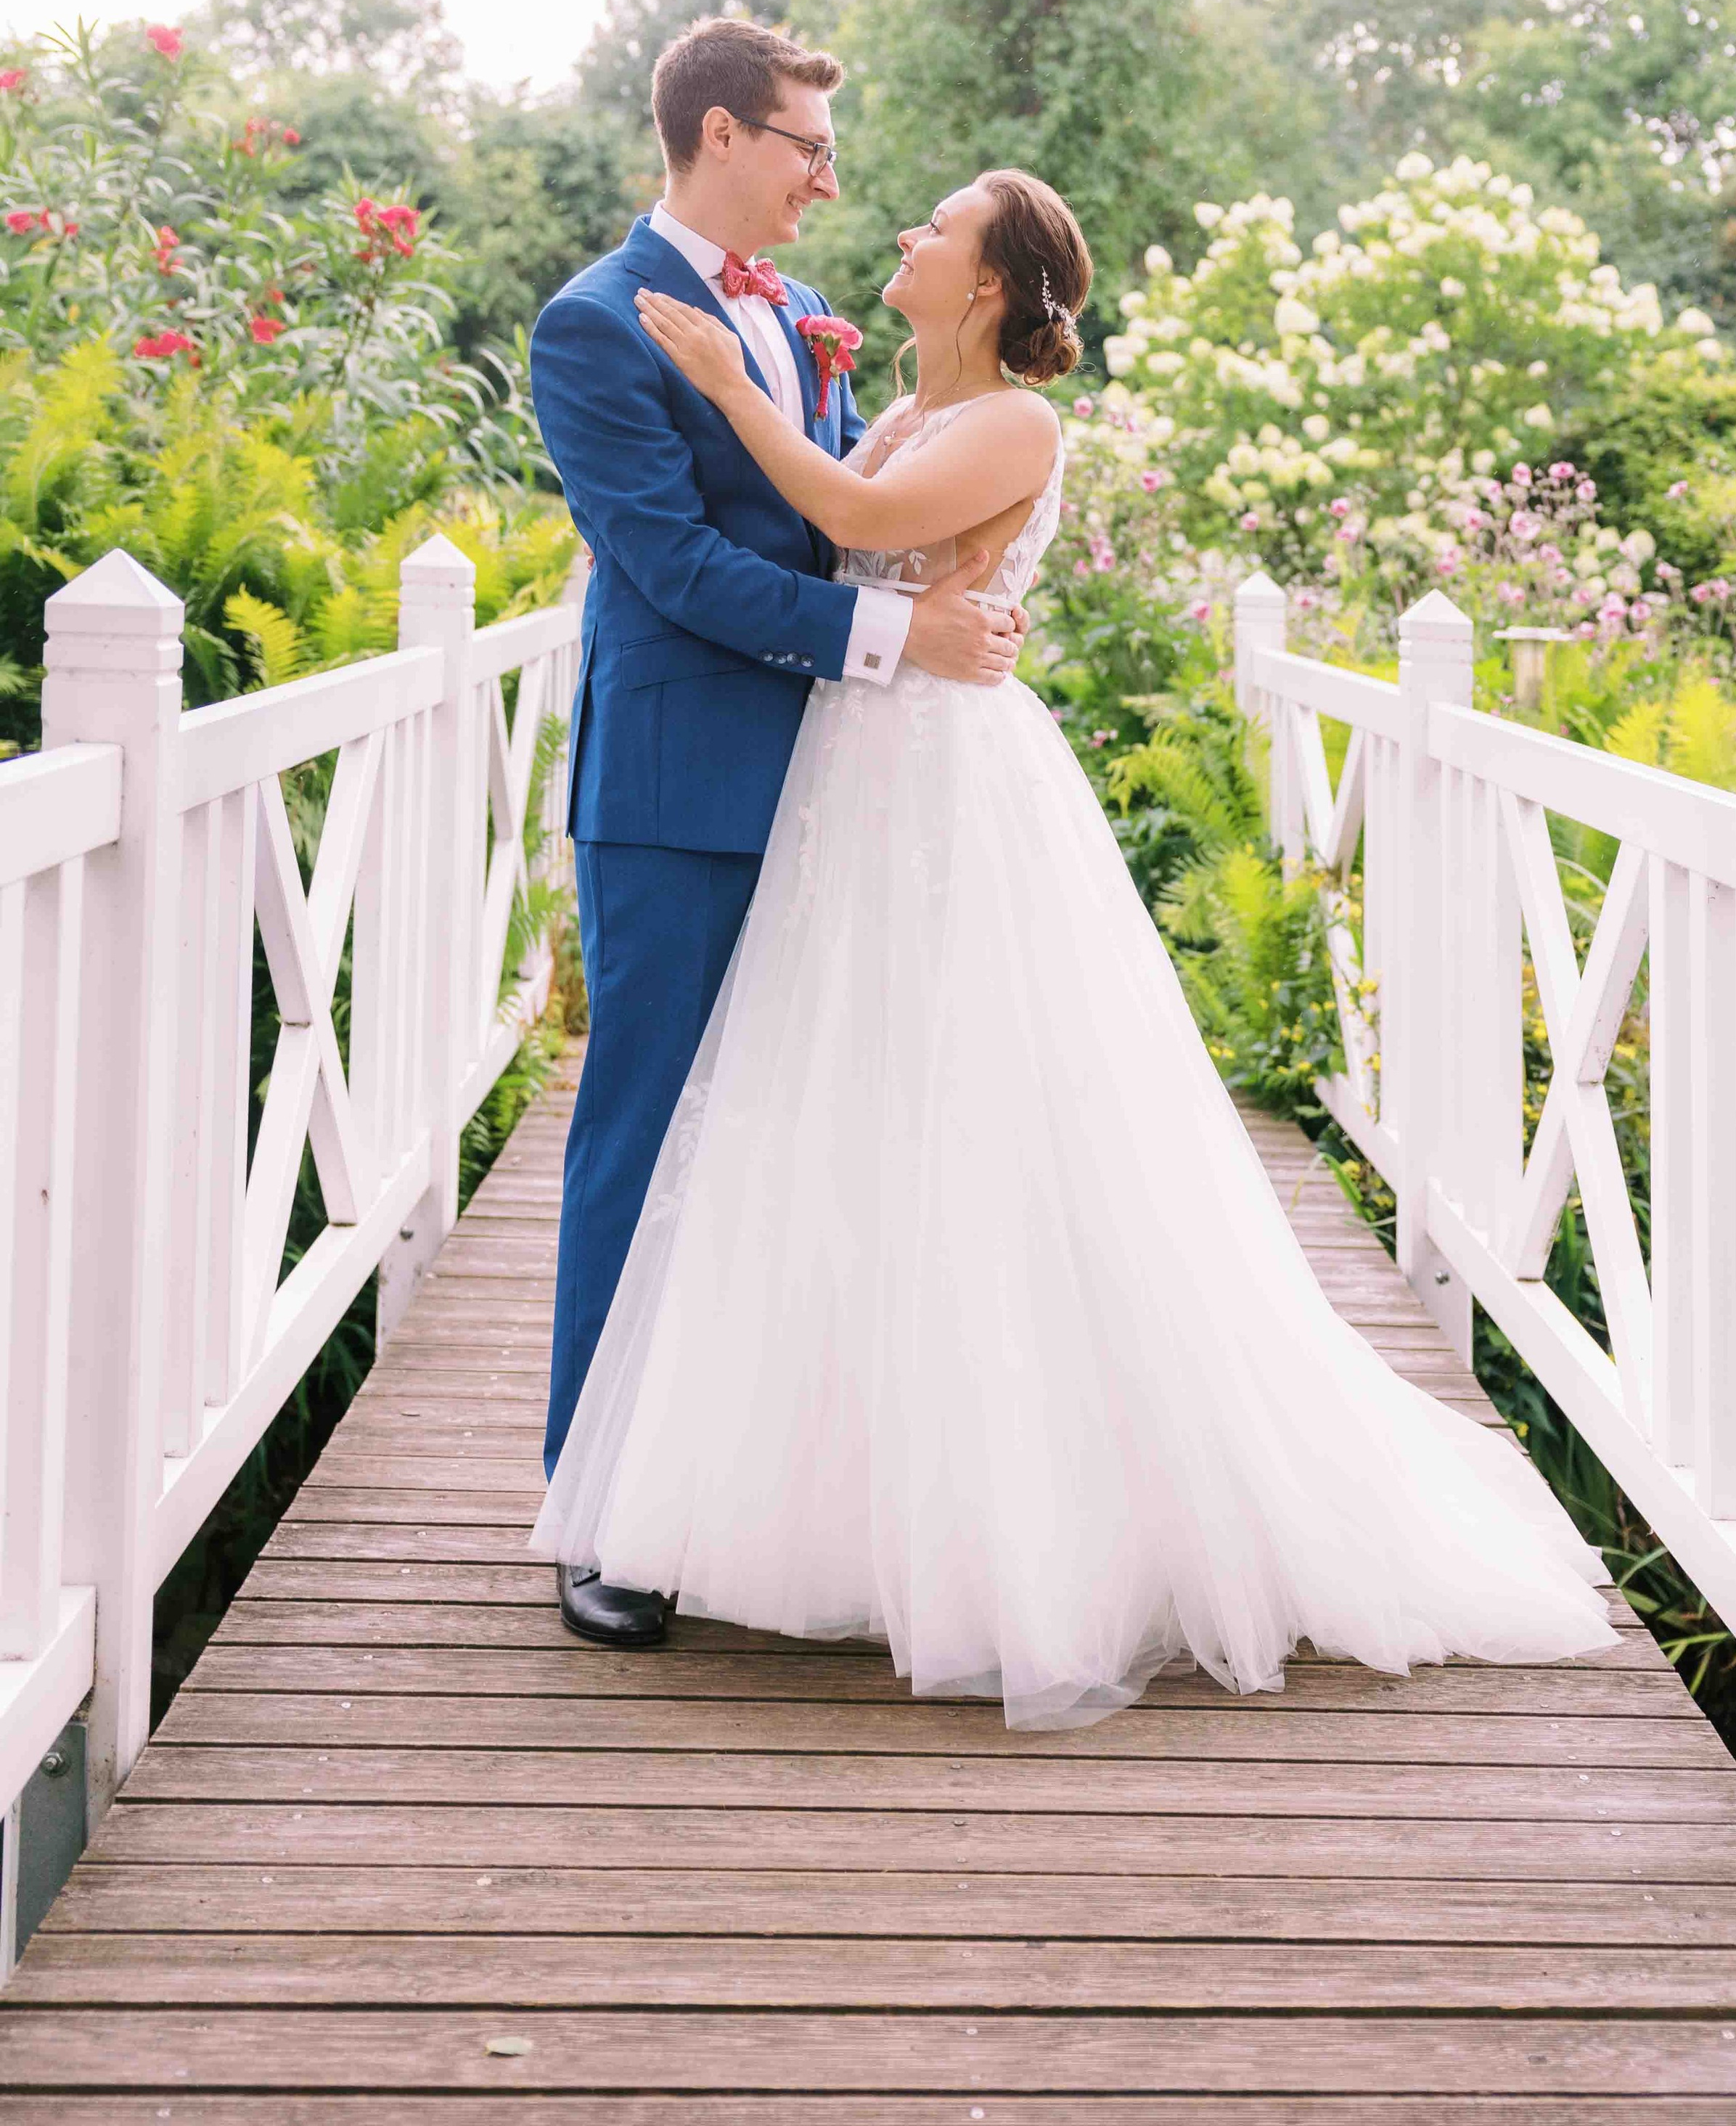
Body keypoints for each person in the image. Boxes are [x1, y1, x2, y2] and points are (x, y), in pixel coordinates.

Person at [531, 165, 1618, 1726]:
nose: (888, 225)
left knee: (982, 1122)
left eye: (932, 226)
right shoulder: (893, 404)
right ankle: (799, 1484)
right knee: (819, 1125)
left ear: (985, 285)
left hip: (939, 787)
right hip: (841, 778)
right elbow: (818, 526)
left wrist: (725, 380)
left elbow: (840, 518)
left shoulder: (1013, 425)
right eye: (848, 182)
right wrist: (818, 438)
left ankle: (1014, 1511)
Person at [528, 18, 1027, 1653]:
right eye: (809, 144)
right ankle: (598, 1519)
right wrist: (902, 644)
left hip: (845, 800)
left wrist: (936, 621)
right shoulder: (589, 328)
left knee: (810, 1144)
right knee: (648, 1134)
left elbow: (867, 507)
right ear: (725, 135)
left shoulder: (809, 324)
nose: (831, 174)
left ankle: (764, 1493)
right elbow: (668, 569)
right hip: (680, 795)